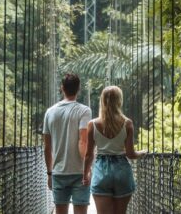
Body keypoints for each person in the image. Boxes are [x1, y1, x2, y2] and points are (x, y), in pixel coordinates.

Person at [82, 86, 147, 214]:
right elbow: (131, 154)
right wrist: (143, 152)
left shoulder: (93, 124)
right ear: (119, 100)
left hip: (101, 172)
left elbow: (89, 155)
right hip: (122, 172)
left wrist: (85, 175)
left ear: (102, 101)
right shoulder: (127, 123)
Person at [43, 73, 92, 214]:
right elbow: (83, 142)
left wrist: (49, 173)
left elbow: (47, 148)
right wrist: (87, 169)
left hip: (58, 172)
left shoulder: (49, 112)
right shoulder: (84, 111)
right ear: (79, 89)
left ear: (62, 88)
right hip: (79, 172)